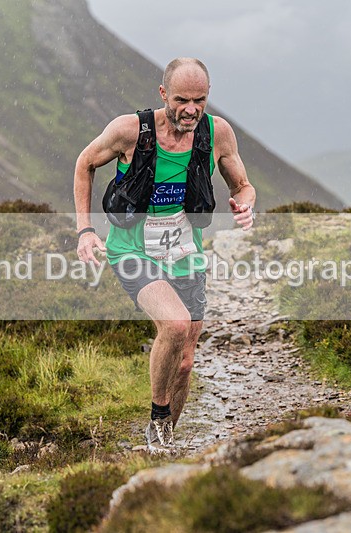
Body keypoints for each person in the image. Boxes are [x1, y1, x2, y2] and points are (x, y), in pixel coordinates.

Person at [73, 57, 256, 453]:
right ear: (163, 94)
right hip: (132, 250)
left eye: (199, 100)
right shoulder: (130, 131)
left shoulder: (218, 133)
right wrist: (85, 230)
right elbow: (85, 163)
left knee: (185, 362)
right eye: (181, 100)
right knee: (174, 325)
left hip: (185, 253)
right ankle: (158, 421)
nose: (191, 110)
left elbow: (242, 185)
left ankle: (162, 445)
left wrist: (245, 204)